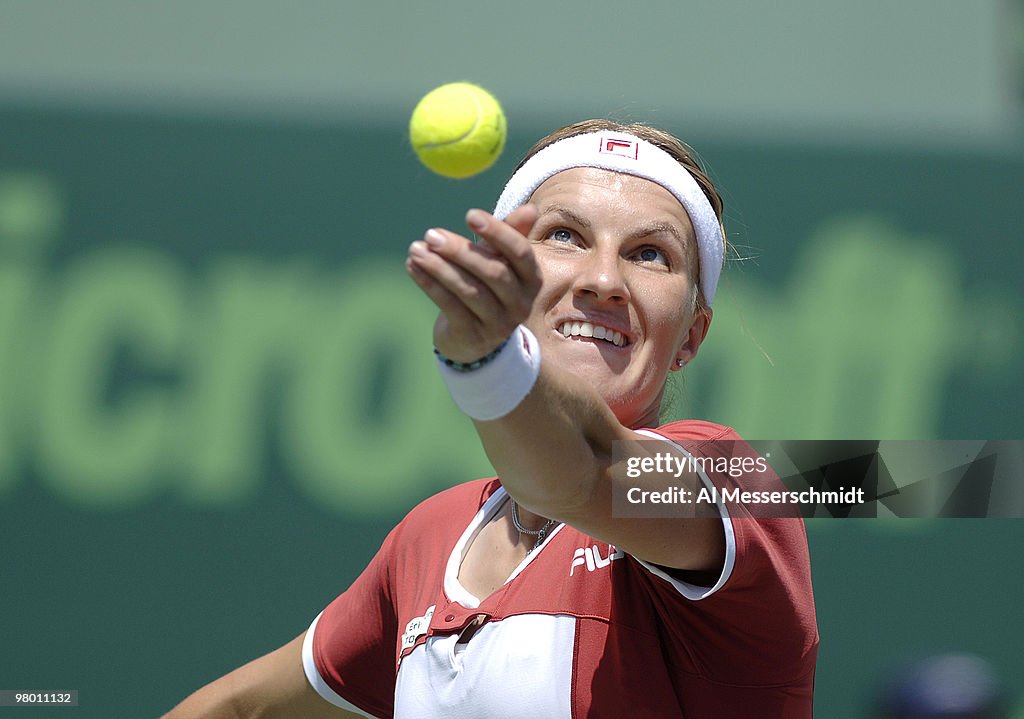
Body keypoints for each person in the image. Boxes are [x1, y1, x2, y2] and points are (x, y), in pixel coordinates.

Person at [163, 119, 818, 718]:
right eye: (565, 235)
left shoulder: (736, 481)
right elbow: (239, 709)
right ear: (505, 272)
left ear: (691, 338)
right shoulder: (430, 536)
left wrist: (489, 364)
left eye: (650, 253)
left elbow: (581, 472)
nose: (603, 279)